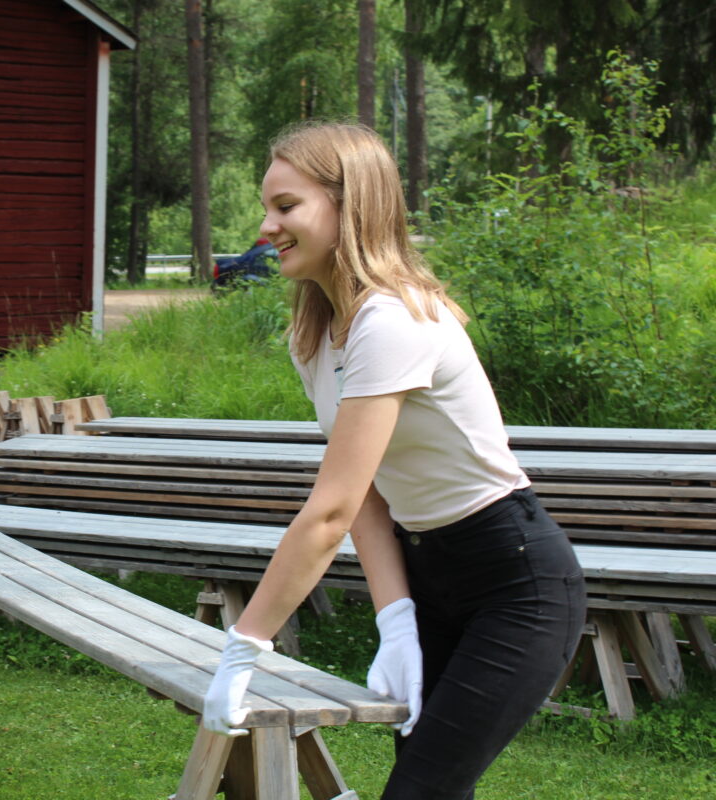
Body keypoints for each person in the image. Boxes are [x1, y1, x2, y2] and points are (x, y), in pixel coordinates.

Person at [202, 123, 585, 799]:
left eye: (286, 206)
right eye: (267, 208)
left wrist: (246, 645)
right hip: (428, 570)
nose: (266, 227)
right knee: (428, 786)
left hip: (516, 581)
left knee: (422, 790)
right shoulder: (315, 332)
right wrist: (397, 616)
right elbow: (370, 497)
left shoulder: (393, 319)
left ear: (350, 204)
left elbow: (331, 511)